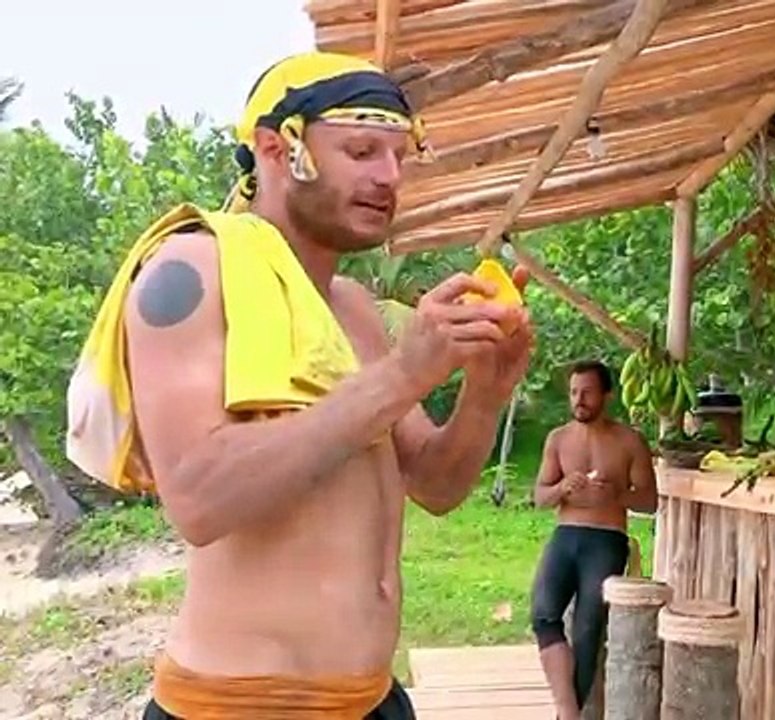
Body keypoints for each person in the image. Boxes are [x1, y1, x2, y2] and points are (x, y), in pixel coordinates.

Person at [63, 52, 532, 718]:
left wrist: (484, 392)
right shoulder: (190, 271)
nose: (390, 176)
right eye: (362, 151)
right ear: (274, 149)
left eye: (400, 156)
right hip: (241, 707)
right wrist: (403, 375)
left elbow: (435, 483)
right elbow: (197, 498)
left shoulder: (354, 308)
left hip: (373, 697)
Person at [530, 360, 658, 720]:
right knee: (543, 614)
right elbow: (539, 497)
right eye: (574, 392)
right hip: (566, 534)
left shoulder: (629, 441)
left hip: (606, 538)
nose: (579, 399)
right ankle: (568, 709)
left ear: (607, 395)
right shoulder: (558, 439)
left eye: (587, 392)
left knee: (588, 629)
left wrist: (617, 493)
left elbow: (650, 501)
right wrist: (561, 488)